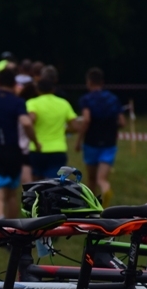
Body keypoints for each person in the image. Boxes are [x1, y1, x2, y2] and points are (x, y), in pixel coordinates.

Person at [0, 68, 38, 218]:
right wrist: (35, 141)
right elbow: (26, 123)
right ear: (14, 84)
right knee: (11, 195)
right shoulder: (17, 102)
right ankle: (12, 228)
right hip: (12, 151)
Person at [77, 67, 125, 207]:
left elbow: (86, 120)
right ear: (102, 82)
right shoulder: (113, 99)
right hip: (109, 143)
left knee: (91, 178)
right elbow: (122, 122)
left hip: (91, 143)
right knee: (102, 179)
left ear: (89, 82)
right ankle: (105, 189)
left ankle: (91, 205)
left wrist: (79, 139)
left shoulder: (86, 99)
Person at [25, 76, 80, 182]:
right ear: (53, 89)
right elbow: (75, 127)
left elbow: (31, 120)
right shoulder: (64, 103)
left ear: (37, 89)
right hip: (58, 149)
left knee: (36, 184)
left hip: (37, 149)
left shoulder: (32, 103)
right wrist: (63, 130)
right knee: (54, 184)